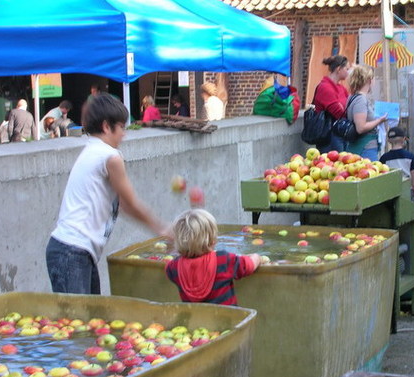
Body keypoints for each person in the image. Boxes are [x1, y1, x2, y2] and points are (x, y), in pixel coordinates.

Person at [46, 93, 171, 294]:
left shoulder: (93, 150)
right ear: (106, 126)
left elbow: (122, 206)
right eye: (121, 127)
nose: (124, 134)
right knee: (77, 322)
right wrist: (163, 229)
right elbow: (129, 203)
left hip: (74, 251)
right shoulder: (110, 156)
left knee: (91, 319)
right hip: (72, 251)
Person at [165, 209, 261, 305]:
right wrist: (256, 257)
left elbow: (168, 268)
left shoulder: (174, 267)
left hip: (196, 319)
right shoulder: (223, 259)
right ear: (213, 241)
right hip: (228, 319)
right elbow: (247, 265)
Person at [345, 65, 388, 160]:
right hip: (365, 148)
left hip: (361, 146)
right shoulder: (361, 99)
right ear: (368, 80)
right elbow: (360, 128)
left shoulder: (353, 97)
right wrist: (379, 120)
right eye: (373, 78)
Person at [312, 55, 350, 153]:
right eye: (347, 69)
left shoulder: (341, 88)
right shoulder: (325, 88)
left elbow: (347, 106)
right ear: (338, 69)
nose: (348, 72)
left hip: (340, 132)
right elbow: (339, 113)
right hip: (329, 136)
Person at [379, 127, 414, 197]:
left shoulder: (384, 158)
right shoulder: (410, 156)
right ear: (404, 139)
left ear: (388, 140)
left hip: (391, 189)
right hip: (406, 188)